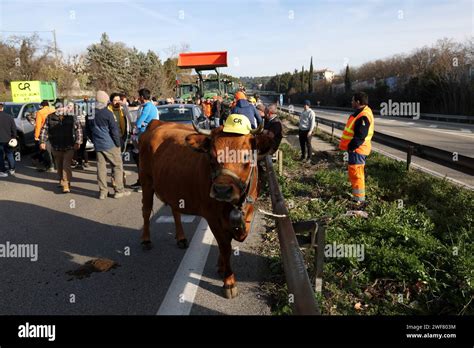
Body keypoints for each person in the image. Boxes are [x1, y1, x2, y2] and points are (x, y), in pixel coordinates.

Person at [87, 91, 130, 199]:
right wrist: (118, 143)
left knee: (101, 168)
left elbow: (87, 131)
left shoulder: (90, 113)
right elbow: (114, 131)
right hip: (110, 144)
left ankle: (103, 192)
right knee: (117, 166)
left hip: (98, 144)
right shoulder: (107, 113)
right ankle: (119, 190)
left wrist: (94, 140)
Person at [338, 92, 374, 206]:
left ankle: (359, 200)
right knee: (355, 174)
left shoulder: (363, 115)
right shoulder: (361, 113)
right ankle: (357, 198)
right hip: (356, 150)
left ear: (358, 102)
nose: (351, 102)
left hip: (357, 150)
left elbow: (360, 136)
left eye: (353, 100)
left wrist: (350, 148)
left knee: (357, 174)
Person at [39, 102, 83, 193]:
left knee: (66, 165)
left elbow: (78, 129)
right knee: (59, 165)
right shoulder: (50, 117)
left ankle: (65, 184)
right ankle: (62, 179)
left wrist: (78, 141)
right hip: (56, 145)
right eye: (58, 108)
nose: (61, 110)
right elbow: (45, 129)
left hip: (69, 145)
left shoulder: (71, 117)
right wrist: (42, 141)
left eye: (62, 108)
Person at [132, 88, 159, 191]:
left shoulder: (148, 107)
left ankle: (145, 184)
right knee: (140, 160)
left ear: (142, 97)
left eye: (139, 96)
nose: (138, 98)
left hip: (146, 136)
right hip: (145, 135)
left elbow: (140, 121)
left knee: (144, 161)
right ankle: (141, 181)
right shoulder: (148, 106)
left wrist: (135, 128)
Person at [34, 100, 56, 171]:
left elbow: (38, 125)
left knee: (47, 150)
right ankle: (56, 164)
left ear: (42, 106)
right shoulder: (53, 110)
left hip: (45, 133)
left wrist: (37, 136)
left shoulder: (40, 112)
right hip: (55, 132)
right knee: (54, 148)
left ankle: (50, 165)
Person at [0, 102, 17, 177]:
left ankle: (2, 171)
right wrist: (14, 137)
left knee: (0, 156)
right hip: (8, 139)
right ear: (2, 108)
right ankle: (12, 169)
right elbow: (14, 129)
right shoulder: (9, 117)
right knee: (9, 154)